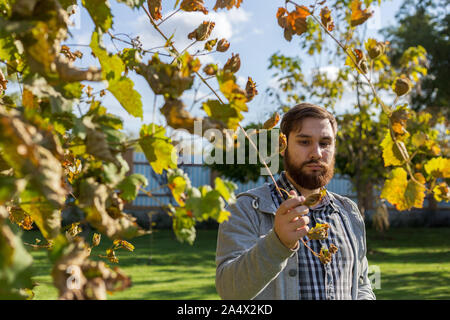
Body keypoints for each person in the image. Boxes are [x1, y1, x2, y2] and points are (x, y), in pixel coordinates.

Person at [215, 103, 375, 300]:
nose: (317, 153)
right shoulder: (246, 208)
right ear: (282, 146)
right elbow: (229, 292)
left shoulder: (348, 212)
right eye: (304, 142)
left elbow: (361, 285)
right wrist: (278, 243)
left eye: (325, 143)